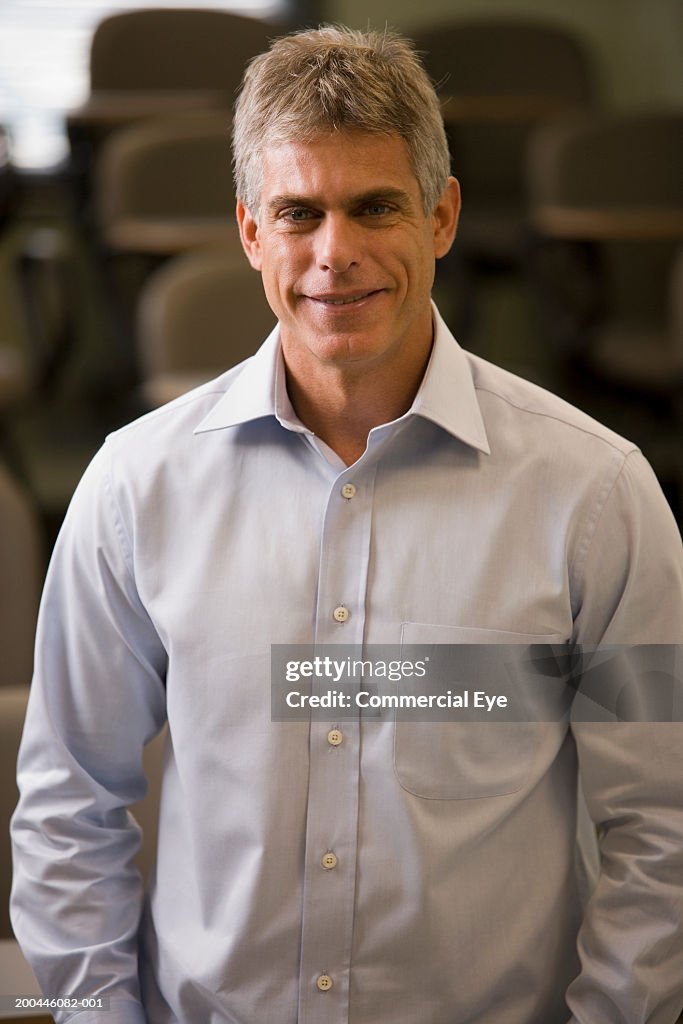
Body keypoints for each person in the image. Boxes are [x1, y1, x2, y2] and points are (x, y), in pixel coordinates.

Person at [10, 25, 683, 1024]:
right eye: (298, 212)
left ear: (442, 215)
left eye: (375, 207)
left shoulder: (594, 494)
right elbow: (70, 803)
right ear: (248, 230)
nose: (336, 254)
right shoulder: (133, 488)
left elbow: (660, 823)